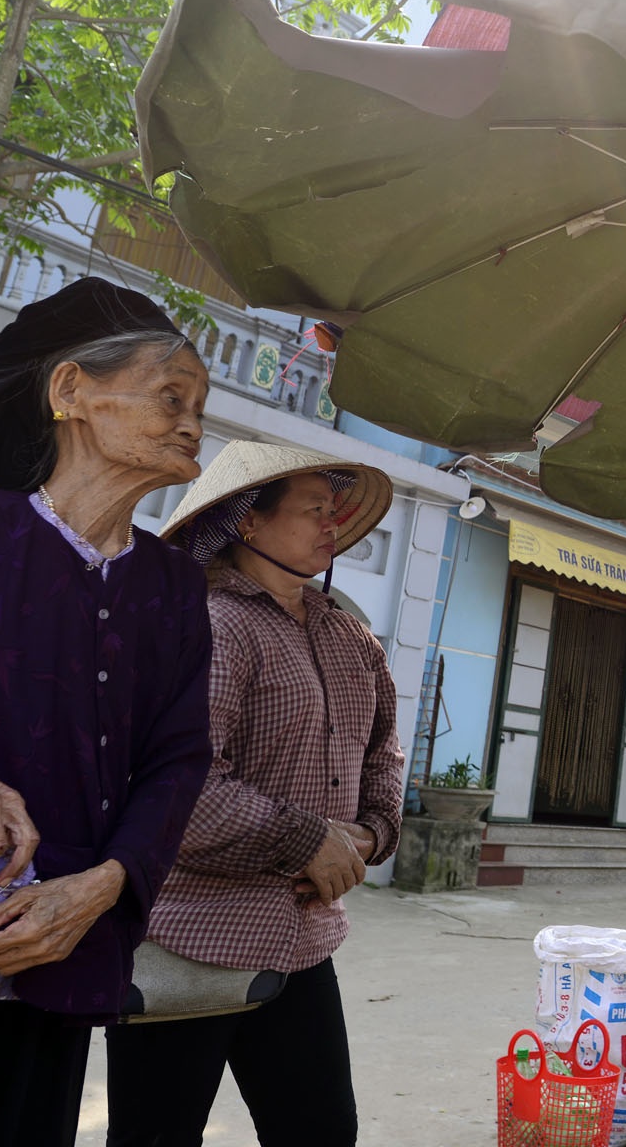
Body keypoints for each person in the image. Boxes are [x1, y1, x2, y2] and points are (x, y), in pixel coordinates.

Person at [0, 278, 216, 1147]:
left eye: (201, 407)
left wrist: (100, 891)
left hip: (59, 947)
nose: (191, 422)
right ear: (70, 394)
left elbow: (179, 761)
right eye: (170, 396)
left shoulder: (172, 585)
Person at [106, 441, 404, 1147]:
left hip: (305, 942)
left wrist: (369, 835)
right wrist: (311, 841)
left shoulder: (352, 638)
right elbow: (181, 787)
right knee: (154, 1136)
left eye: (334, 512)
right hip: (193, 937)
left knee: (322, 1131)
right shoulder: (208, 624)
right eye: (313, 511)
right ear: (247, 522)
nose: (333, 526)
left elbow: (383, 754)